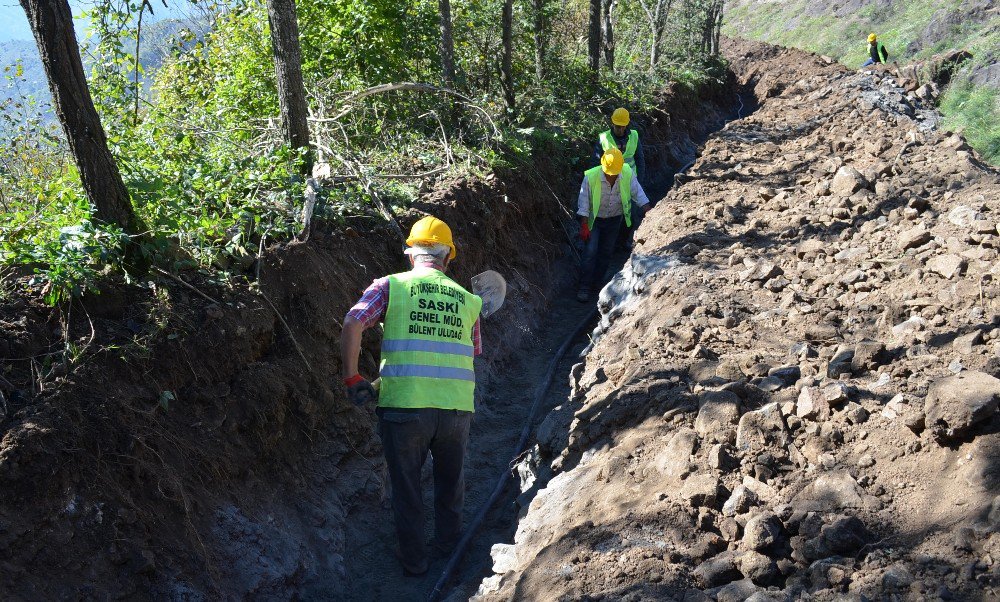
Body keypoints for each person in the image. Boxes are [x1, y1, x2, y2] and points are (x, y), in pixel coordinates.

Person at [340, 215, 483, 577]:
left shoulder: (391, 286)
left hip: (404, 409)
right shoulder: (469, 300)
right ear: (449, 256)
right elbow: (472, 350)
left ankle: (415, 561)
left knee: (407, 488)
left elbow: (353, 322)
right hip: (455, 409)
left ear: (411, 255)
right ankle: (450, 554)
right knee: (451, 485)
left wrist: (353, 377)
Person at [577, 147, 651, 302]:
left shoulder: (627, 173)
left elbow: (638, 193)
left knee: (606, 251)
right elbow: (583, 202)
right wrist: (584, 225)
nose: (611, 175)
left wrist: (649, 211)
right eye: (608, 172)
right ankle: (584, 286)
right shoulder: (591, 177)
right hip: (594, 221)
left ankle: (598, 285)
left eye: (614, 172)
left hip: (614, 219)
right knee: (590, 252)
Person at [594, 107, 647, 250]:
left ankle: (624, 242)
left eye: (622, 126)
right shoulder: (604, 138)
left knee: (631, 214)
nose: (620, 129)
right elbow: (596, 163)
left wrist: (639, 182)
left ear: (626, 125)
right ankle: (610, 244)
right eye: (617, 126)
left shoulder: (634, 136)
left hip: (630, 182)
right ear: (612, 124)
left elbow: (640, 160)